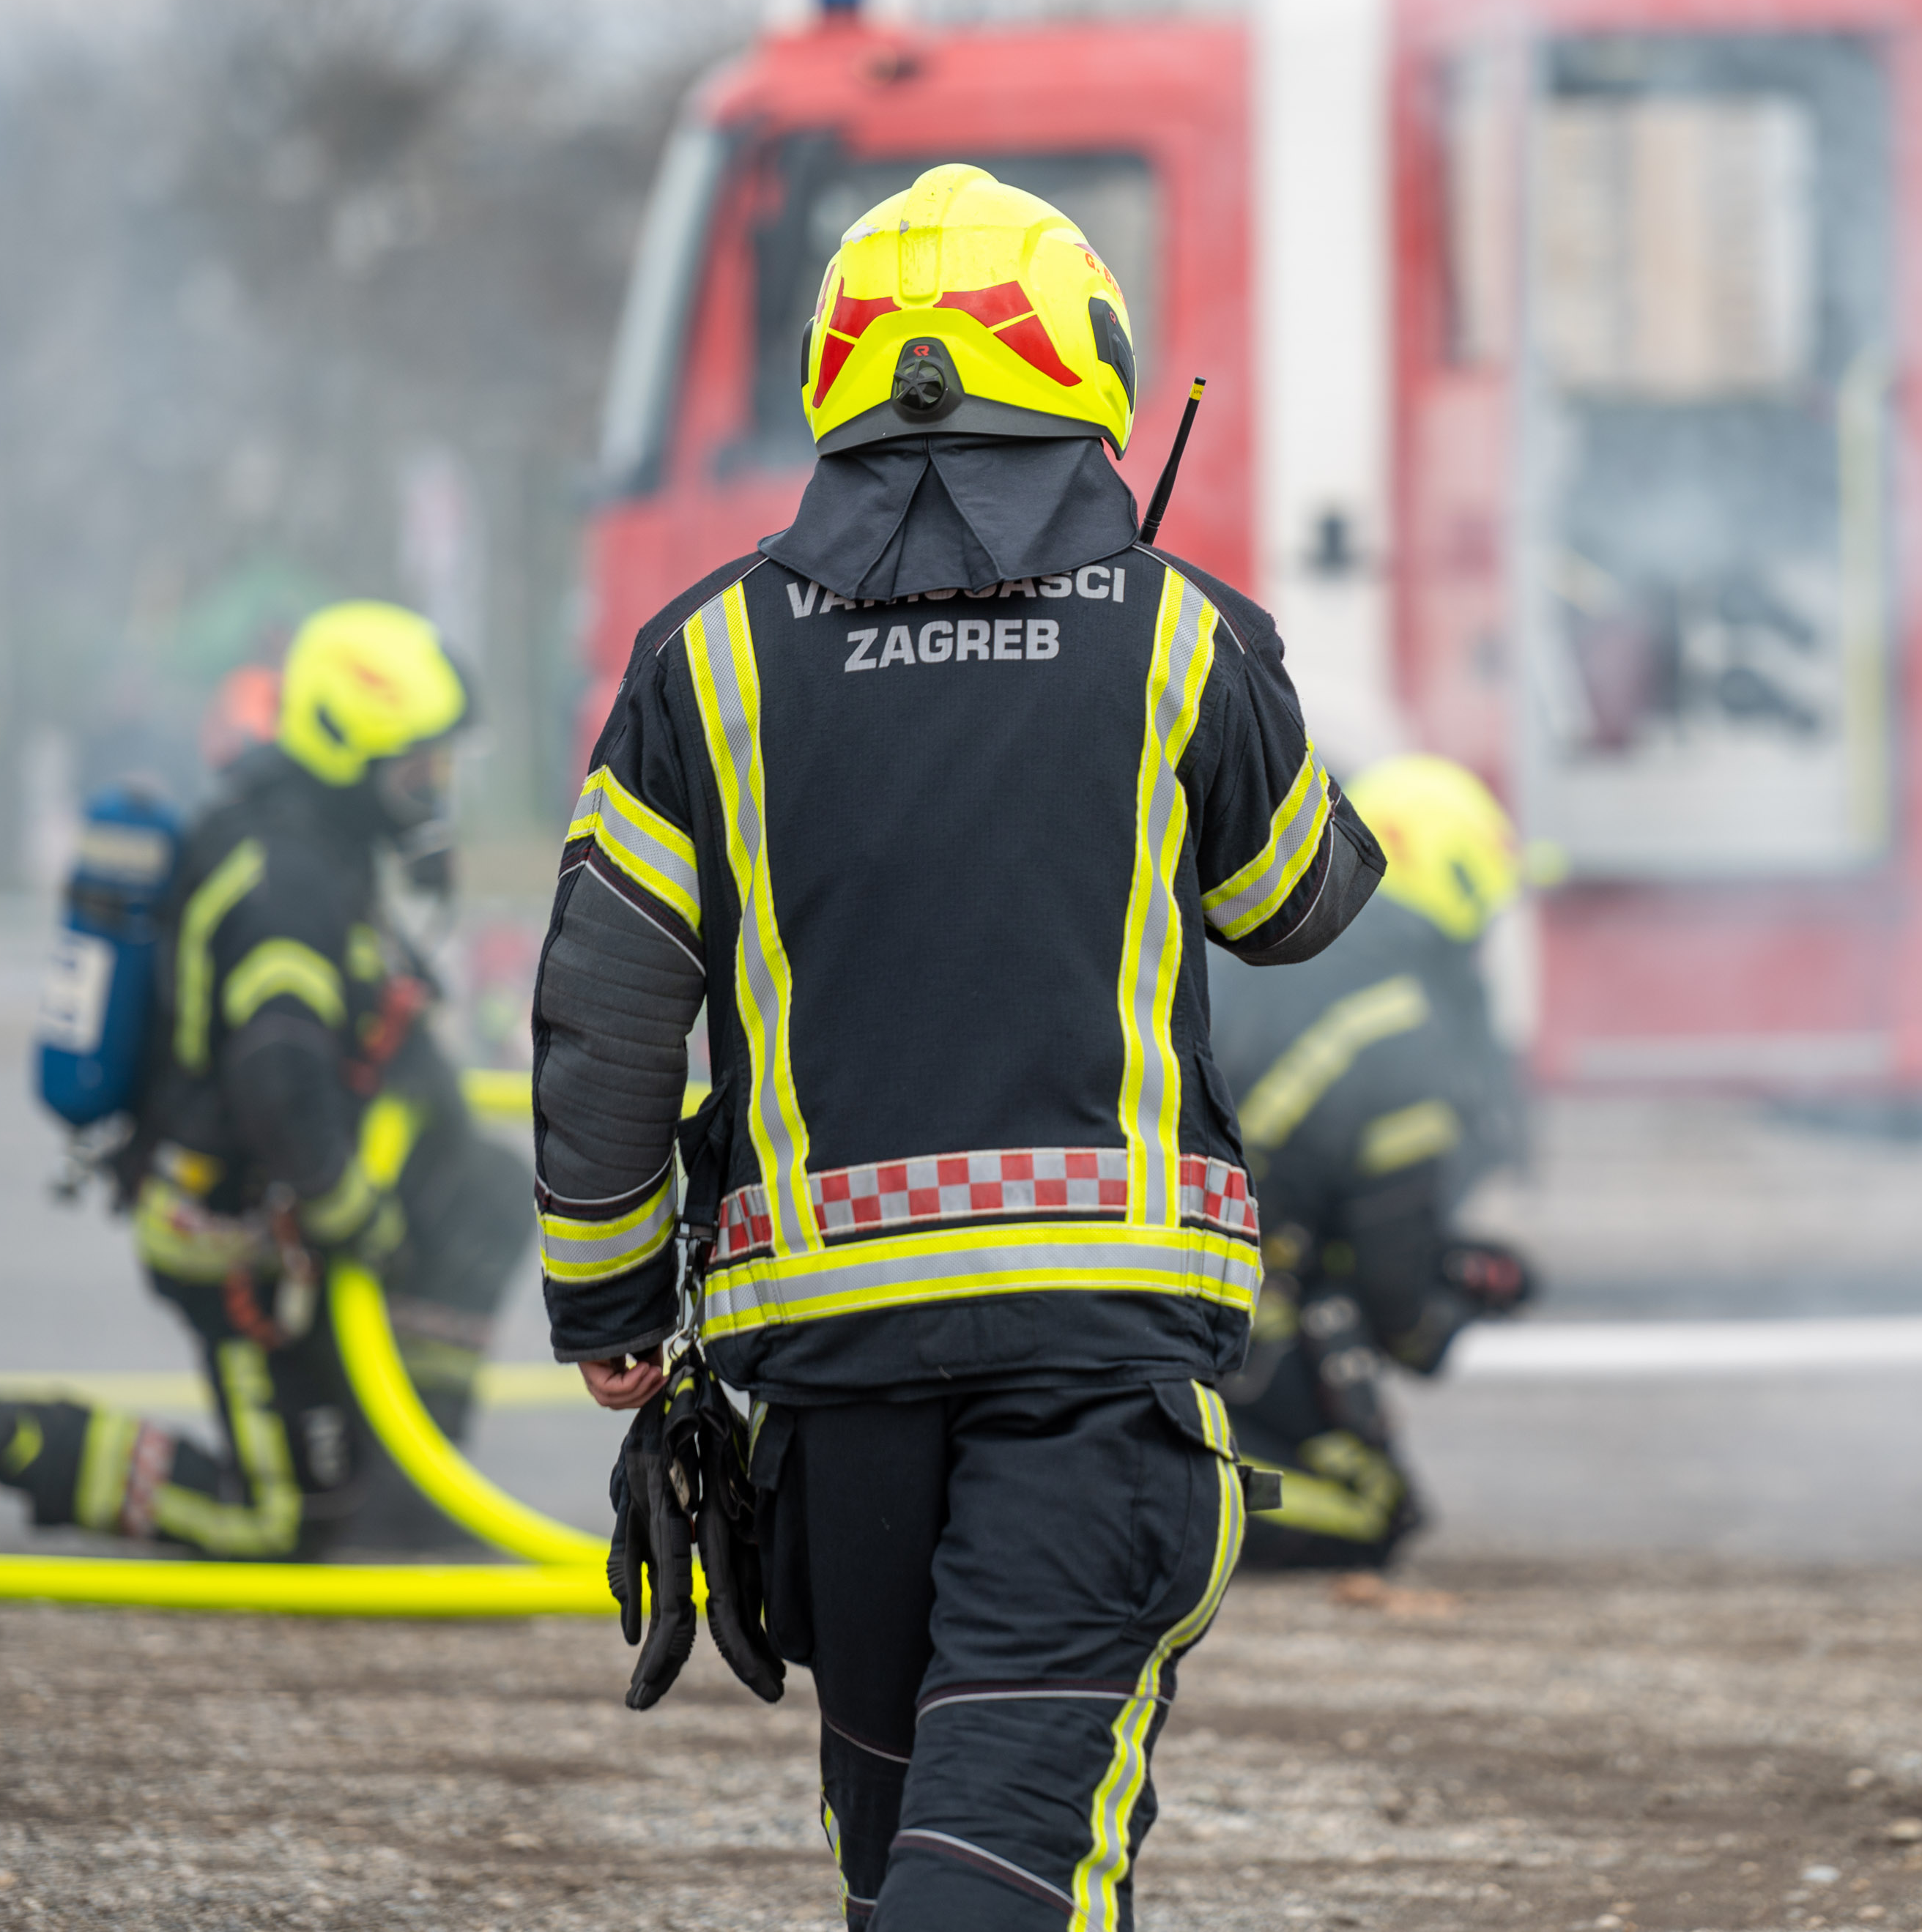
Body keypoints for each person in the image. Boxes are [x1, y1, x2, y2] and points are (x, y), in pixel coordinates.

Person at [533, 163, 1380, 1930]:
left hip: (832, 1391)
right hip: (1093, 1372)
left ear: (834, 382)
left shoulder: (704, 662)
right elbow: (1298, 899)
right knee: (1002, 1862)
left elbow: (605, 1011)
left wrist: (609, 1302)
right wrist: (1235, 674)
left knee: (900, 1850)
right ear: (1087, 372)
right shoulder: (1178, 635)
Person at [0, 602, 533, 1556]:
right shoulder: (284, 877)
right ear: (349, 749)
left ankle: (410, 1481)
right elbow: (279, 1075)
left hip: (285, 1205)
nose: (434, 790)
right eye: (419, 767)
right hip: (235, 1231)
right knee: (286, 1521)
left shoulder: (320, 843)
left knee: (482, 1188)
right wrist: (352, 1215)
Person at [1206, 754, 1538, 1569]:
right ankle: (1165, 1500)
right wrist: (1469, 1290)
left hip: (1159, 1290)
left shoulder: (1250, 957)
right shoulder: (1405, 1028)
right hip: (1233, 1323)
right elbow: (1404, 1319)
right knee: (1369, 1506)